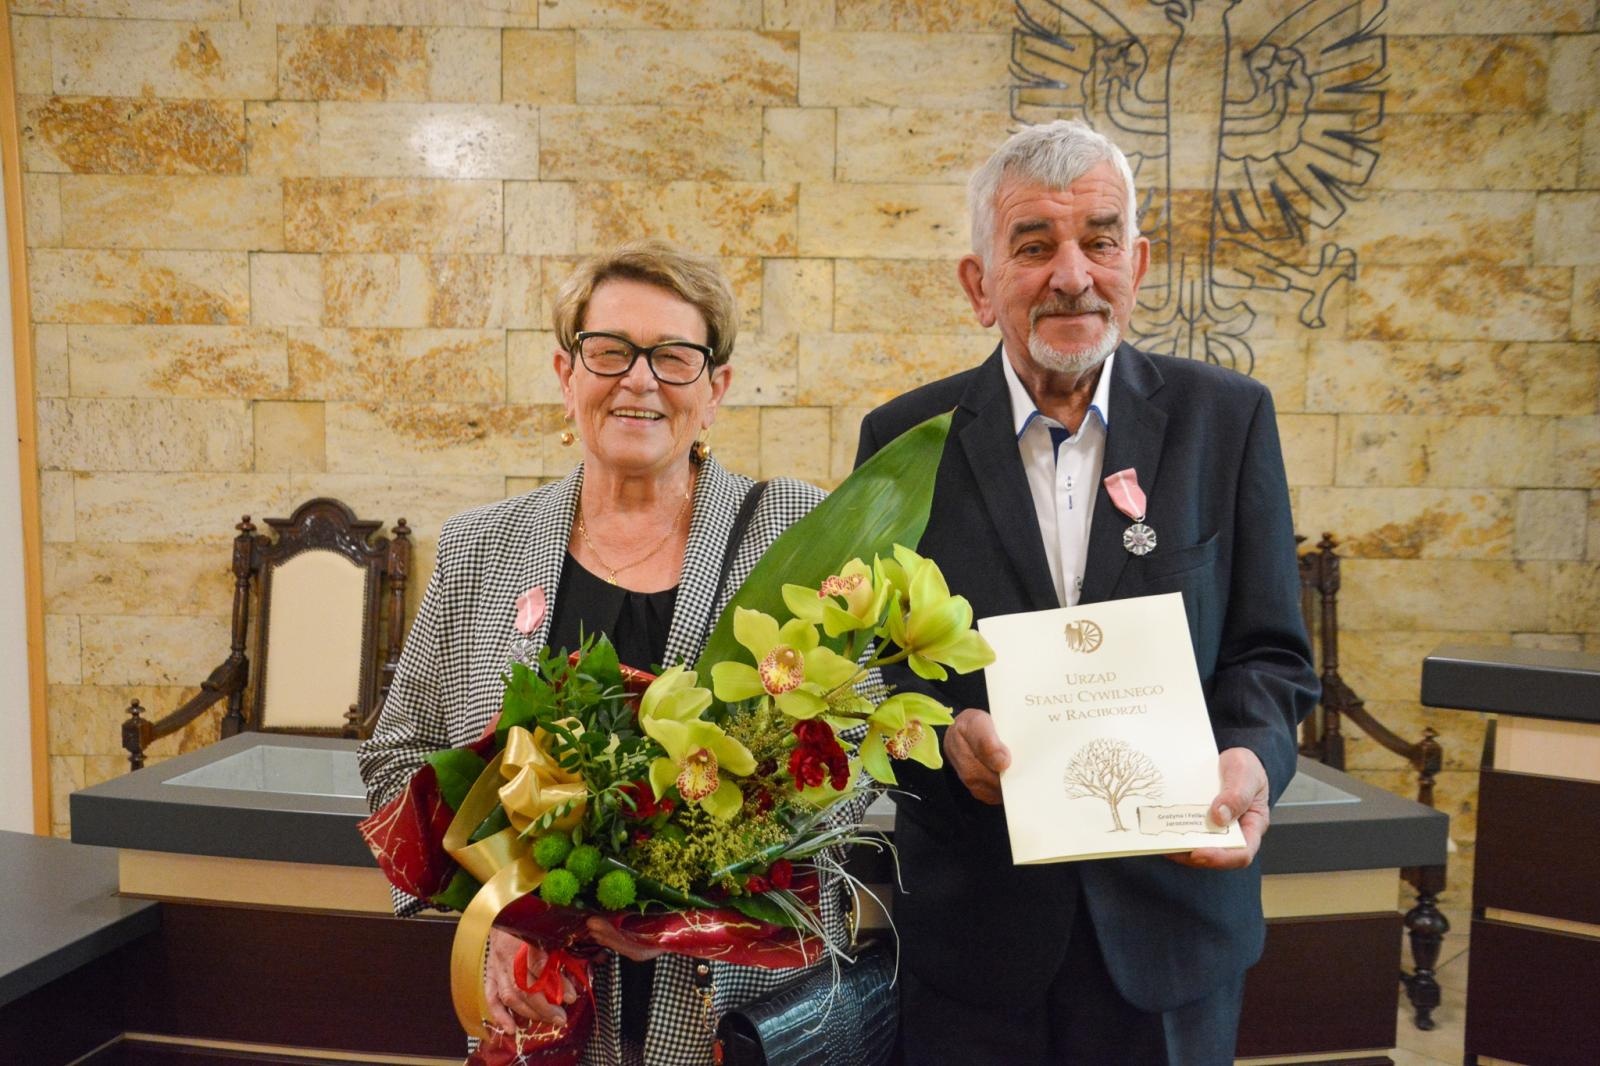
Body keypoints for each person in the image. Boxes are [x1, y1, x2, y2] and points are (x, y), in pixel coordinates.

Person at [854, 120, 1319, 1064]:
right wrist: (943, 743)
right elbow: (865, 677)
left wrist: (1252, 761)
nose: (1073, 273)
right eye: (1034, 246)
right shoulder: (905, 442)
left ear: (1135, 264)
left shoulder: (1226, 421)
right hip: (974, 943)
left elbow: (1270, 658)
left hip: (1172, 936)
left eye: (1099, 240)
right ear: (979, 285)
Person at [359, 240, 842, 1066]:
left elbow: (846, 755)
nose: (639, 379)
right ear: (566, 373)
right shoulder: (480, 550)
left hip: (733, 1017)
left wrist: (692, 902)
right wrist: (491, 920)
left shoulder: (791, 534)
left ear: (716, 389)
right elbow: (394, 761)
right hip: (539, 1010)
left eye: (674, 357)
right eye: (610, 351)